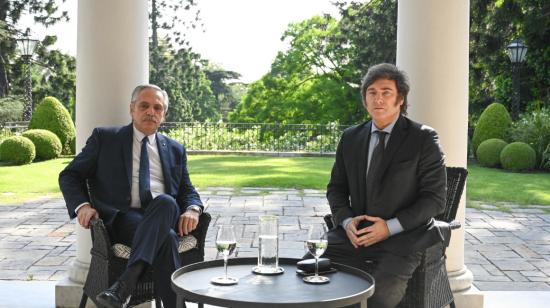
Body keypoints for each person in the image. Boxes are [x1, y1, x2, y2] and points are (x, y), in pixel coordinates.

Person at [59, 84, 203, 308]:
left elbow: (187, 190)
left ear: (163, 115)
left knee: (165, 202)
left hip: (163, 215)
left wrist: (193, 209)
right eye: (144, 106)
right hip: (123, 220)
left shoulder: (175, 149)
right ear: (132, 109)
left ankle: (123, 286)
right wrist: (82, 206)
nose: (151, 112)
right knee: (168, 239)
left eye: (157, 108)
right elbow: (70, 175)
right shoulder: (106, 138)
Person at [324, 63, 447, 308]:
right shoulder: (350, 138)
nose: (378, 98)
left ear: (400, 99)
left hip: (401, 240)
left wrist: (389, 228)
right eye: (372, 92)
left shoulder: (423, 138)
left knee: (376, 297)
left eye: (386, 92)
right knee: (308, 275)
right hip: (353, 238)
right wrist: (347, 222)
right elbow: (336, 189)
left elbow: (434, 199)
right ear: (365, 99)